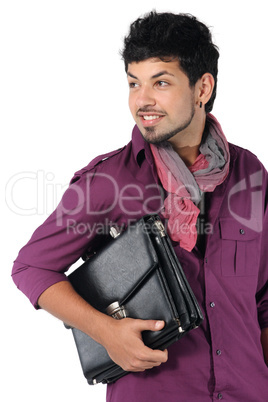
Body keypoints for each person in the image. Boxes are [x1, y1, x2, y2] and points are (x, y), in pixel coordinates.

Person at [12, 11, 268, 402]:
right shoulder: (110, 179)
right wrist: (106, 332)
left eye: (160, 82)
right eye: (134, 83)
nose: (142, 100)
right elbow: (31, 266)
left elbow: (263, 295)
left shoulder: (250, 173)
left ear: (203, 88)